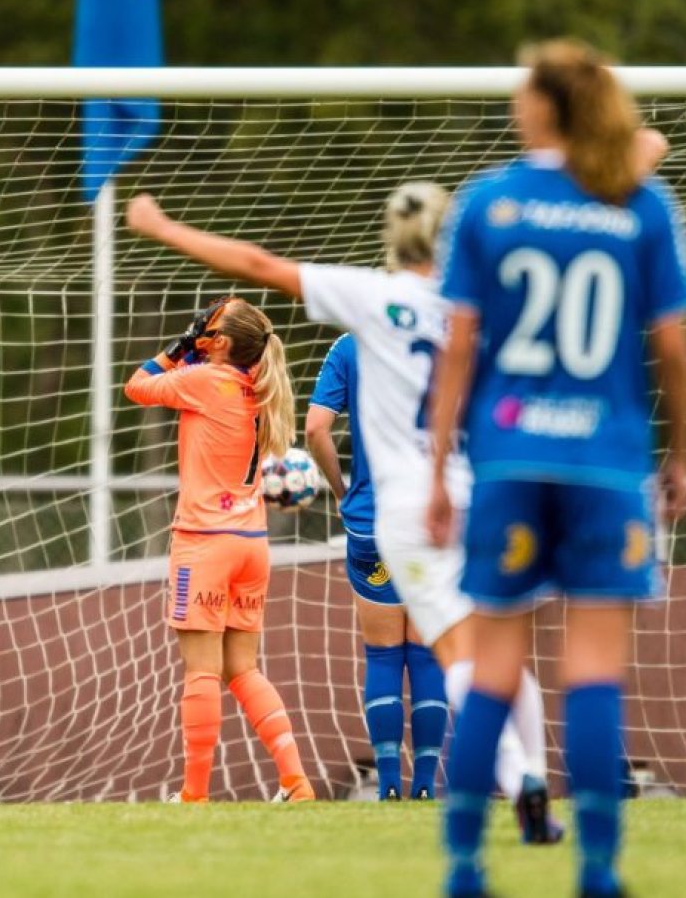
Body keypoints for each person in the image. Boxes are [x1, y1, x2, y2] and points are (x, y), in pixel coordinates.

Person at [125, 185, 562, 835]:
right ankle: (310, 781)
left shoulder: (332, 327)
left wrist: (176, 302)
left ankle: (197, 796)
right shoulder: (473, 313)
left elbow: (141, 383)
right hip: (283, 533)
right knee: (473, 651)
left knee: (231, 669)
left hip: (268, 529)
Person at [427, 40, 686, 898]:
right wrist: (680, 453)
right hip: (607, 464)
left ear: (544, 107)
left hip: (509, 457)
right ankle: (598, 869)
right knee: (593, 669)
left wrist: (438, 467)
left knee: (495, 664)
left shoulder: (490, 203)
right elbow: (673, 345)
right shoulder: (640, 204)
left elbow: (460, 345)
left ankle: (467, 867)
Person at [125, 296, 315, 803]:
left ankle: (194, 795)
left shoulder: (205, 380)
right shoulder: (257, 386)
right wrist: (197, 348)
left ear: (222, 342)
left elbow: (137, 386)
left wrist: (179, 347)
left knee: (202, 671)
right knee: (242, 669)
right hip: (251, 544)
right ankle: (296, 783)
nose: (202, 335)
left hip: (204, 544)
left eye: (209, 331)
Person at [306, 334, 447, 800]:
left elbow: (314, 429)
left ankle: (387, 785)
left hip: (374, 524)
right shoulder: (454, 334)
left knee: (384, 655)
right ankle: (425, 785)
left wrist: (341, 492)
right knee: (427, 655)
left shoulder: (351, 344)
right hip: (432, 521)